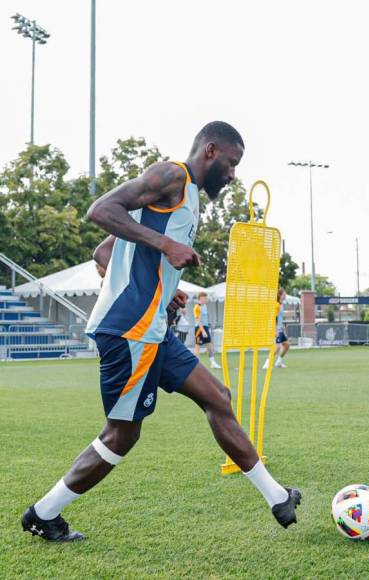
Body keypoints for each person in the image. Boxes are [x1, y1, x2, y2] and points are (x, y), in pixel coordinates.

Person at [21, 121, 301, 542]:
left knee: (217, 397)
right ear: (210, 151)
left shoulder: (188, 198)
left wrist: (161, 287)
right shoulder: (172, 175)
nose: (233, 173)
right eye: (231, 162)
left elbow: (105, 254)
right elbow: (100, 211)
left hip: (154, 331)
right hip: (130, 330)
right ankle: (43, 514)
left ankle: (278, 497)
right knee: (120, 437)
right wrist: (165, 247)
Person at [263, 288, 290, 369]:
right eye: (284, 295)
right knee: (277, 347)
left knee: (286, 345)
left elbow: (280, 317)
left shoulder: (281, 305)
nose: (285, 296)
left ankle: (278, 362)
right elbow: (274, 318)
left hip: (280, 328)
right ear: (280, 295)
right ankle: (267, 363)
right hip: (275, 329)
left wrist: (282, 328)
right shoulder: (276, 305)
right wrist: (275, 330)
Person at [194, 291, 221, 369]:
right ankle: (196, 365)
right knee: (198, 346)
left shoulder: (205, 306)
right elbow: (198, 320)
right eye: (205, 298)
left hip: (205, 327)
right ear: (200, 298)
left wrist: (206, 329)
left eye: (206, 298)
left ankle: (213, 362)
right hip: (199, 328)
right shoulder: (196, 307)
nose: (206, 299)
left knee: (209, 345)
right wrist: (202, 331)